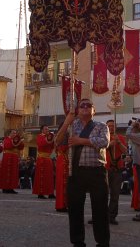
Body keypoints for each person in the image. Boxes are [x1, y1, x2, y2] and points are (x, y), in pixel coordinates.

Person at [54, 98, 110, 247]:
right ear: (78, 110)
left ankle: (103, 242)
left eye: (88, 105)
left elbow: (104, 142)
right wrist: (66, 122)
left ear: (94, 110)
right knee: (75, 208)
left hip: (96, 171)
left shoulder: (101, 126)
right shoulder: (71, 126)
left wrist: (81, 141)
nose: (85, 107)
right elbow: (57, 141)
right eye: (82, 105)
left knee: (100, 209)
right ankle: (78, 242)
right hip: (76, 171)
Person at [105, 119, 127, 225]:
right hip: (104, 168)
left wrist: (118, 142)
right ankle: (99, 215)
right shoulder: (102, 137)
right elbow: (99, 149)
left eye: (112, 126)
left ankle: (112, 216)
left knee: (115, 194)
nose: (111, 128)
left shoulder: (121, 138)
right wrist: (110, 144)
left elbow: (125, 151)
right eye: (109, 126)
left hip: (116, 169)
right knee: (101, 194)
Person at [33, 124, 55, 199]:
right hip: (42, 159)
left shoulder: (49, 137)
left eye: (48, 129)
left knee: (49, 176)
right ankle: (41, 193)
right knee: (41, 176)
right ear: (42, 130)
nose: (47, 131)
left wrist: (53, 140)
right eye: (46, 129)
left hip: (48, 158)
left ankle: (50, 193)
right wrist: (49, 139)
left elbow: (52, 146)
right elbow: (41, 144)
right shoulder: (40, 136)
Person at [0, 130, 24, 194]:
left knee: (14, 173)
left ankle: (11, 188)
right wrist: (17, 142)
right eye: (13, 133)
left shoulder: (16, 140)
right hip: (8, 157)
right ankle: (5, 188)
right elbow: (8, 146)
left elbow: (21, 147)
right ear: (9, 133)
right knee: (6, 172)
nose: (14, 134)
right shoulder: (7, 139)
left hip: (14, 157)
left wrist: (20, 142)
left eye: (15, 133)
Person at [54, 121, 69, 212]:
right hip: (64, 159)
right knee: (63, 182)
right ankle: (62, 204)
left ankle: (63, 204)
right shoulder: (63, 135)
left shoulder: (61, 135)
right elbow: (63, 148)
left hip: (63, 159)